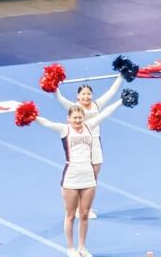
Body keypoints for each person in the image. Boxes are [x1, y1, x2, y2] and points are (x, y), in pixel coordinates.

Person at [36, 101, 123, 257]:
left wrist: (121, 101)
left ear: (83, 117)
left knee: (83, 214)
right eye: (74, 118)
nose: (77, 121)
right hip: (71, 176)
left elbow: (105, 114)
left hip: (88, 177)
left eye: (79, 117)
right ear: (68, 118)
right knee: (70, 215)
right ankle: (70, 247)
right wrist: (32, 115)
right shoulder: (64, 129)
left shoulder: (89, 126)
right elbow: (46, 123)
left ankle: (82, 246)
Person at [53, 74, 124, 219]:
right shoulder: (75, 108)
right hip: (80, 144)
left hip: (95, 143)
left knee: (93, 177)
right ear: (78, 96)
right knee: (83, 176)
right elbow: (60, 99)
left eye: (88, 94)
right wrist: (54, 87)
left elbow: (112, 92)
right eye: (83, 94)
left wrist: (121, 76)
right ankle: (79, 208)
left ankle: (85, 206)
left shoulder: (97, 105)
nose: (86, 96)